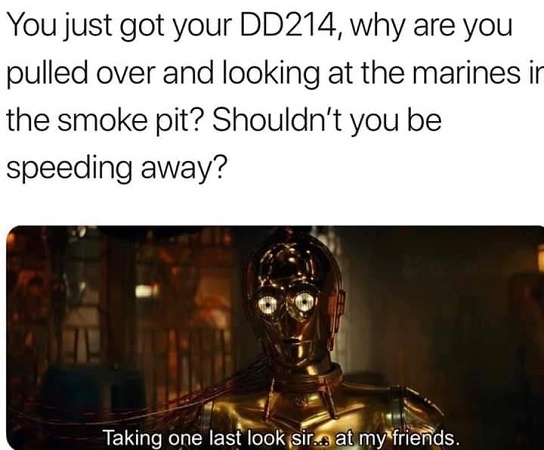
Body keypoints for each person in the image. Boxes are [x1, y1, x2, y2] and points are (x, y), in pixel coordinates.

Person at [185, 227, 446, 449]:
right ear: (253, 315)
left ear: (333, 306)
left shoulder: (397, 415)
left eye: (303, 301)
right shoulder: (221, 418)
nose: (288, 323)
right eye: (269, 304)